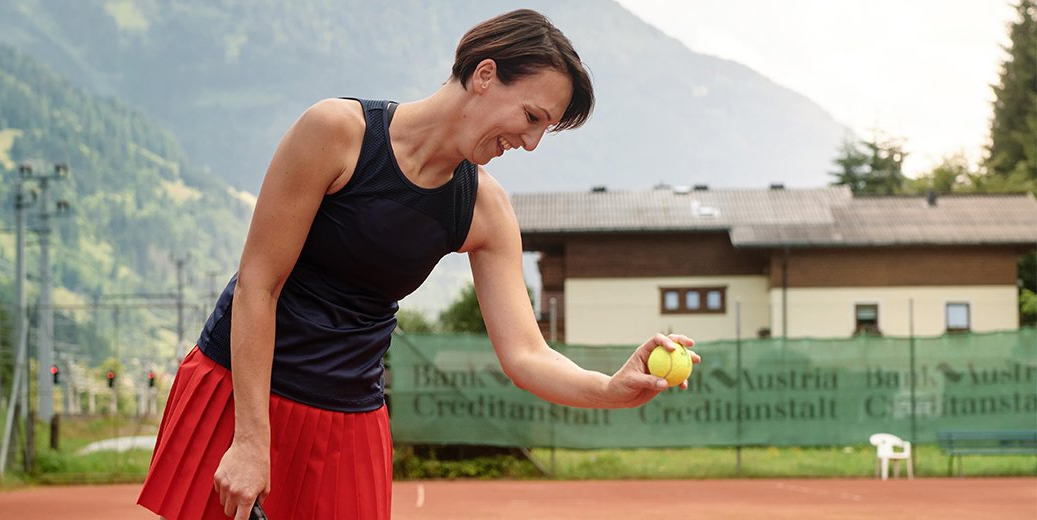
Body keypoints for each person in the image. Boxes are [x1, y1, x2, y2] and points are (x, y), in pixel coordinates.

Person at [137, 8, 699, 520]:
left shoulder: (483, 208)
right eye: (531, 116)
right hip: (241, 395)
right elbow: (259, 285)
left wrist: (608, 387)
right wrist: (250, 440)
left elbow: (526, 354)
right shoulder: (336, 132)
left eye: (541, 129)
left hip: (347, 423)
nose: (530, 143)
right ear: (484, 75)